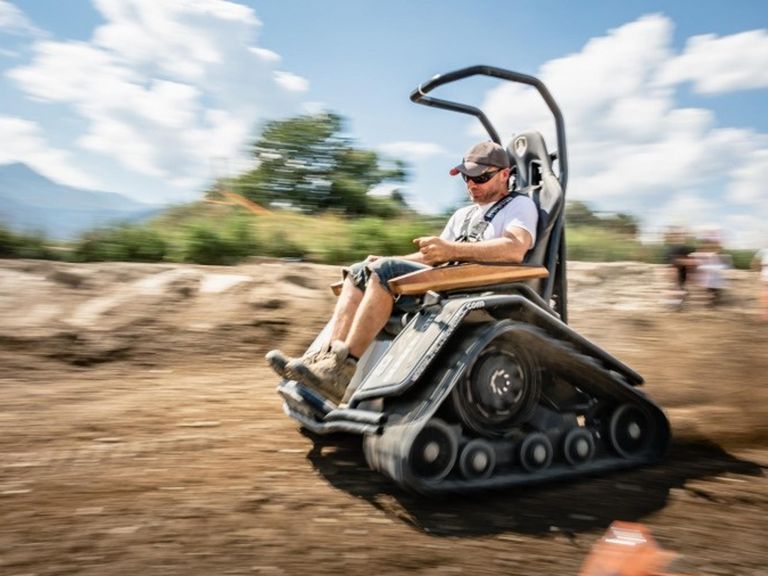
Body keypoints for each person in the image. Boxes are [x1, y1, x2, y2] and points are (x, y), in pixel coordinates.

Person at [266, 141, 539, 404]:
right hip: (445, 283)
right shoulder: (462, 215)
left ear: (505, 175)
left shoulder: (520, 206)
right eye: (466, 177)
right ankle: (327, 362)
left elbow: (515, 248)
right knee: (360, 270)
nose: (471, 184)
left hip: (475, 293)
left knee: (384, 272)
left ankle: (344, 370)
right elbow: (432, 257)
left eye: (480, 178)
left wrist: (452, 251)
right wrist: (389, 259)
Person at [752, 247, 768, 320]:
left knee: (765, 292)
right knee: (765, 293)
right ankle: (765, 312)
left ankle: (765, 312)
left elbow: (755, 261)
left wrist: (755, 270)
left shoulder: (763, 250)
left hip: (765, 272)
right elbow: (755, 261)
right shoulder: (764, 250)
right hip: (765, 272)